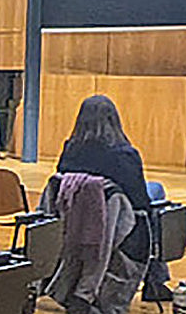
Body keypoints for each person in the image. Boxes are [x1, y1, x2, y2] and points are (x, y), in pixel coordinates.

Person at [55, 95, 169, 296]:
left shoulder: (70, 149)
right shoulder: (124, 154)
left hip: (76, 217)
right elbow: (139, 201)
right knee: (157, 200)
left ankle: (155, 279)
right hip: (116, 218)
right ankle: (155, 280)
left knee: (154, 193)